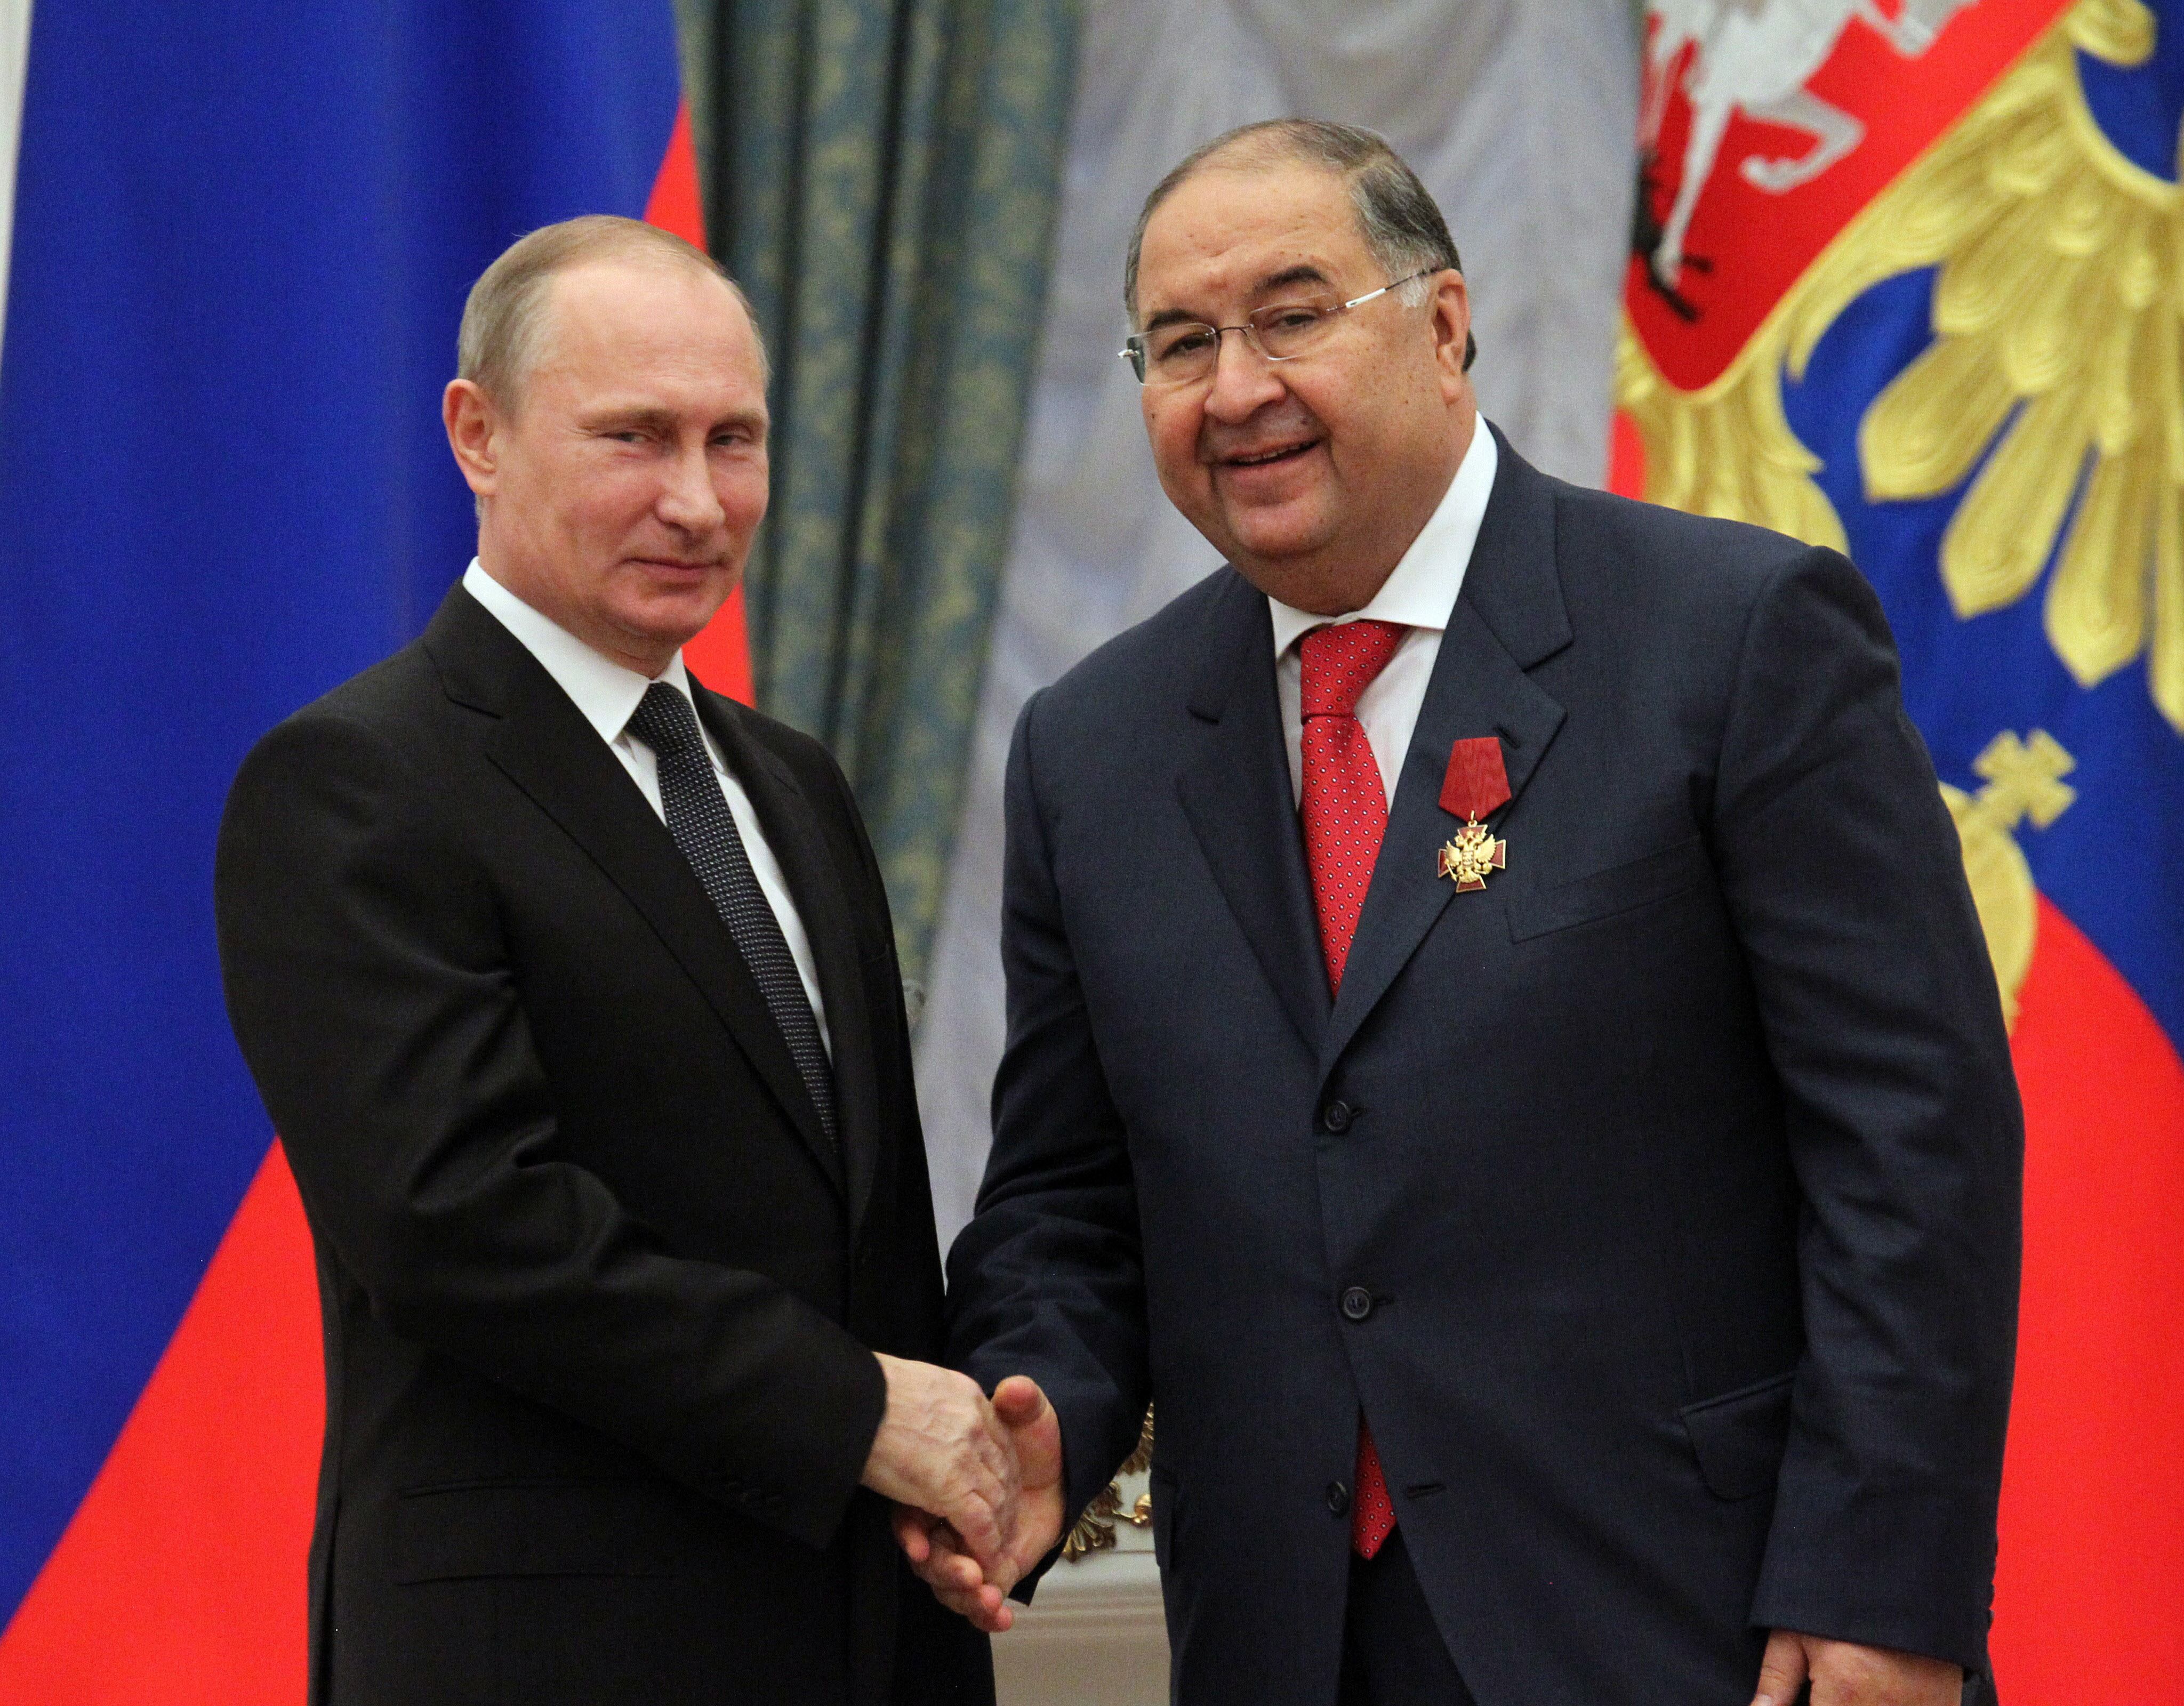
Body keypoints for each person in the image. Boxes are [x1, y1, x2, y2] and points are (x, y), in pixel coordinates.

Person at [920, 122, 2021, 1706]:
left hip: (1700, 1626)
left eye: (1294, 315)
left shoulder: (1733, 640)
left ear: (1443, 328)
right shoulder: (1094, 749)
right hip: (1290, 1643)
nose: (1237, 389)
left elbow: (1913, 1144)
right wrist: (1032, 1413)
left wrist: (1882, 1590)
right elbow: (1068, 1204)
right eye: (1179, 344)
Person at [215, 215, 1010, 1706]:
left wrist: (963, 1465)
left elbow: (859, 1228)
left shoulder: (794, 784)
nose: (698, 502)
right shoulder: (354, 783)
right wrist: (850, 1413)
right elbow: (461, 1227)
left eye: (736, 440)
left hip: (863, 1640)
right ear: (480, 436)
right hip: (551, 1652)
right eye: (634, 438)